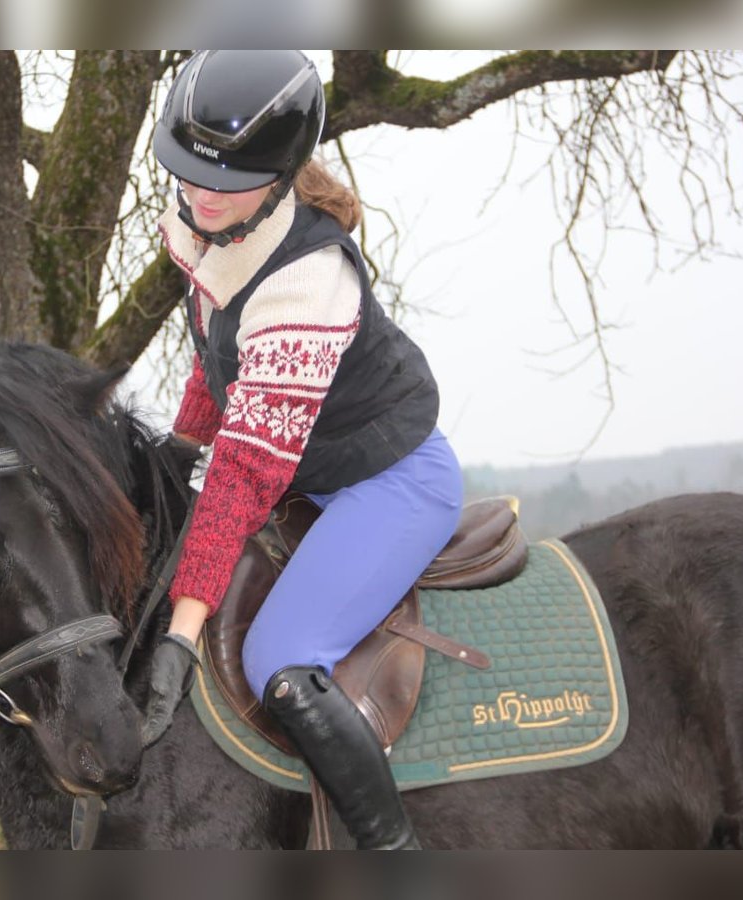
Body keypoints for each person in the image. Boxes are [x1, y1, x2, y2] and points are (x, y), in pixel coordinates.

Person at [139, 50, 463, 850]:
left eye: (232, 178)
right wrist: (177, 451)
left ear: (284, 175)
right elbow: (218, 358)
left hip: (390, 483)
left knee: (277, 657)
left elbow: (247, 472)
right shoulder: (202, 220)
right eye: (189, 172)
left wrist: (181, 636)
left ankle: (394, 850)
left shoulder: (306, 284)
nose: (204, 193)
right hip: (306, 472)